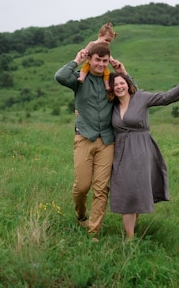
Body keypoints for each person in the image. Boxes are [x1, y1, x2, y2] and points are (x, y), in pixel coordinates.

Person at [107, 71, 179, 239]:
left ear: (128, 85)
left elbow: (166, 97)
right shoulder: (112, 106)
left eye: (122, 83)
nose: (119, 87)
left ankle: (129, 236)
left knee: (137, 190)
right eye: (115, 85)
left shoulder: (141, 97)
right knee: (126, 189)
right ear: (112, 90)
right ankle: (130, 235)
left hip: (142, 150)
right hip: (121, 152)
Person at [54, 42, 132, 240]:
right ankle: (81, 215)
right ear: (90, 59)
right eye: (98, 60)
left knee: (100, 189)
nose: (101, 64)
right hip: (84, 138)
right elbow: (60, 76)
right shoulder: (80, 79)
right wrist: (76, 60)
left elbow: (132, 92)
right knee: (82, 187)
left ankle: (93, 231)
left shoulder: (112, 81)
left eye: (105, 61)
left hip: (107, 141)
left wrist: (122, 71)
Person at [77, 22, 118, 90]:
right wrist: (83, 54)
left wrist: (112, 61)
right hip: (90, 63)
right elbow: (85, 50)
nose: (107, 43)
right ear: (100, 35)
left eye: (109, 41)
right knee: (85, 68)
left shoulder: (106, 48)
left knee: (107, 73)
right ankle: (82, 77)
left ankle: (107, 85)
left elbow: (109, 56)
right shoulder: (93, 44)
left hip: (102, 67)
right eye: (106, 40)